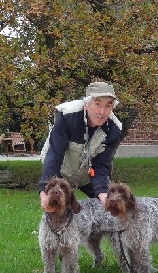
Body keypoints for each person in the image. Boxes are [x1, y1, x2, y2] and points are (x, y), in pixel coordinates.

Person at [38, 81, 123, 211]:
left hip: (86, 174)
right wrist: (44, 191)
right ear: (86, 104)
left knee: (107, 210)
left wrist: (103, 196)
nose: (102, 112)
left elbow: (100, 165)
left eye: (108, 106)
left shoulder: (114, 129)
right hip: (61, 170)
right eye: (98, 104)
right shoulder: (68, 116)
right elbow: (54, 155)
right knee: (56, 210)